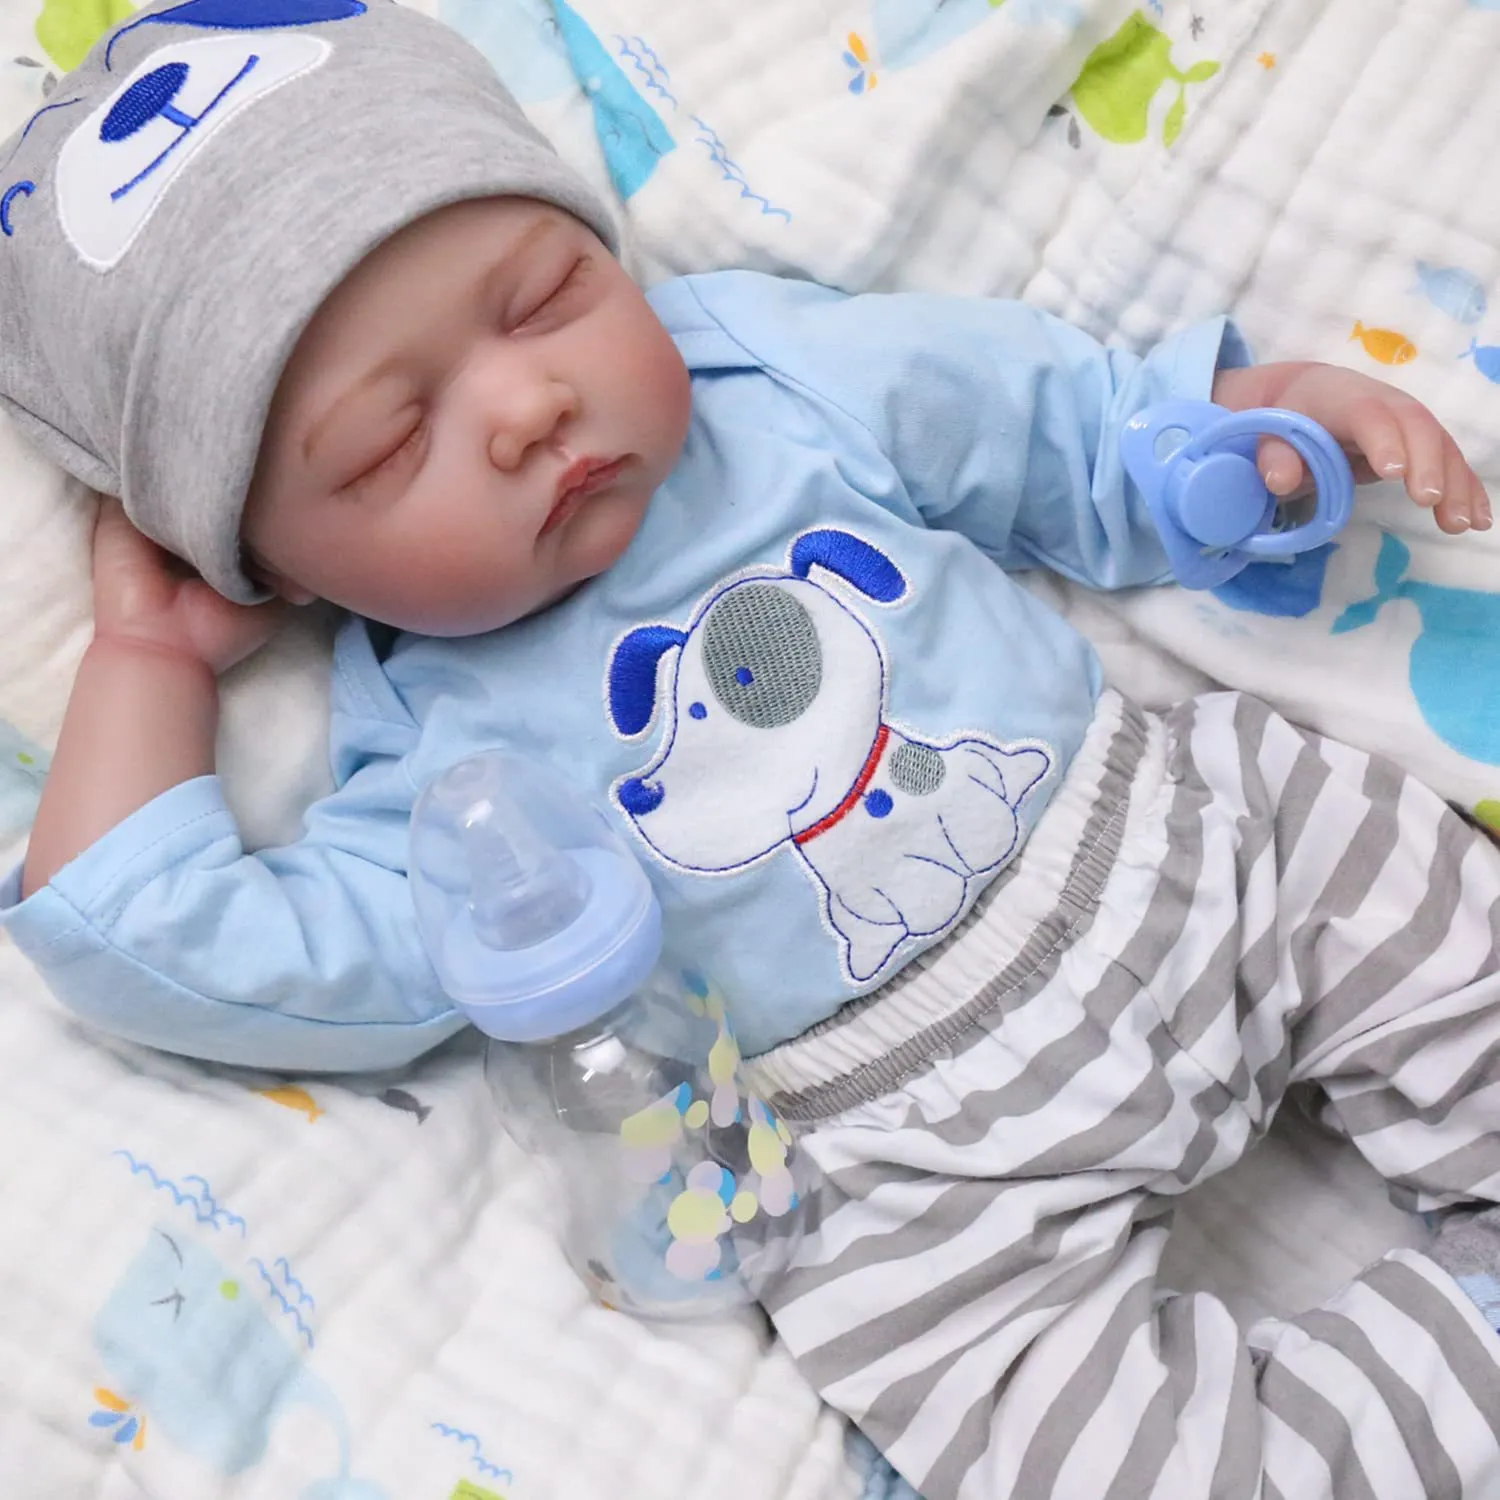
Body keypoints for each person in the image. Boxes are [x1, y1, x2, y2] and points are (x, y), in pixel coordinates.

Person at [5, 1, 1500, 1494]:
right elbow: (156, 931)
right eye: (392, 444)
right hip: (907, 1171)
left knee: (1400, 905)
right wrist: (148, 664)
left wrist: (1234, 439)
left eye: (545, 296)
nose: (527, 404)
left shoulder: (763, 370)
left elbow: (1050, 424)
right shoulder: (438, 773)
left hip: (1189, 847)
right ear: (281, 571)